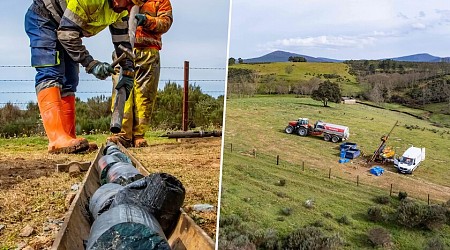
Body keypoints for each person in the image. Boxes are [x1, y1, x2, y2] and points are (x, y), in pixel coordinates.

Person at [25, 0, 143, 154]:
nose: (129, 8)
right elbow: (66, 34)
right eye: (128, 2)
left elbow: (123, 43)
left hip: (66, 28)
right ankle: (57, 139)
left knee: (70, 79)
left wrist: (128, 73)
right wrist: (91, 64)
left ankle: (69, 138)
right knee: (50, 72)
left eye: (132, 6)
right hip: (43, 19)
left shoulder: (121, 9)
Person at [109, 0, 173, 148]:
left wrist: (146, 20)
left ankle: (138, 135)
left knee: (144, 94)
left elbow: (165, 23)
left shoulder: (161, 1)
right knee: (121, 90)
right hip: (123, 49)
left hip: (148, 51)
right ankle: (121, 134)